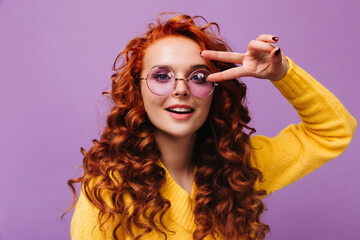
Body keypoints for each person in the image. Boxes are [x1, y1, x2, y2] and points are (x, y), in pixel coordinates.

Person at [67, 13, 357, 240]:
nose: (181, 90)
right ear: (137, 90)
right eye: (162, 76)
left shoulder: (239, 168)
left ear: (216, 91)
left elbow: (334, 130)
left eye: (199, 77)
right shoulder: (109, 191)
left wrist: (282, 73)